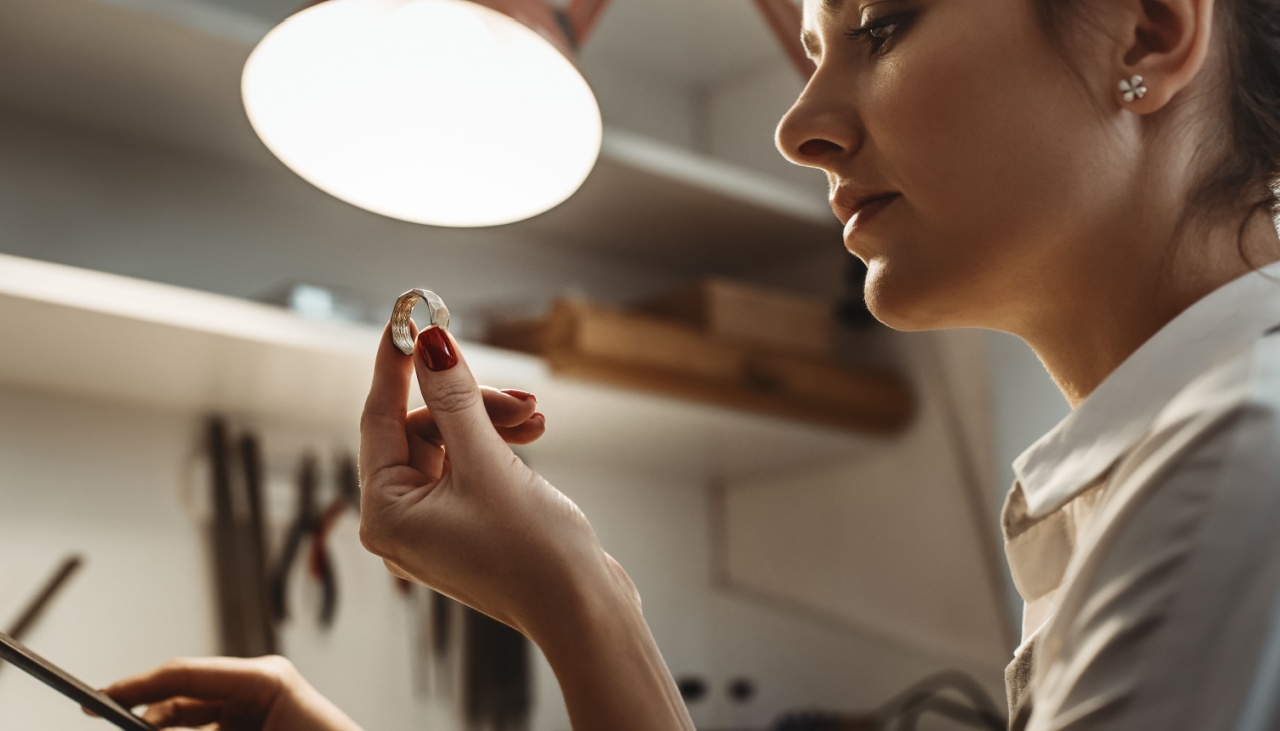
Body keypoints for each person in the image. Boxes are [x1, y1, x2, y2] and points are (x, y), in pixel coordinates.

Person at [100, 0, 1280, 728]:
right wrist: (582, 595)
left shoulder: (1234, 457)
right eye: (809, 47)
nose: (797, 124)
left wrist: (572, 599)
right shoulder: (1176, 458)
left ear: (1147, 28)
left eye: (879, 25)